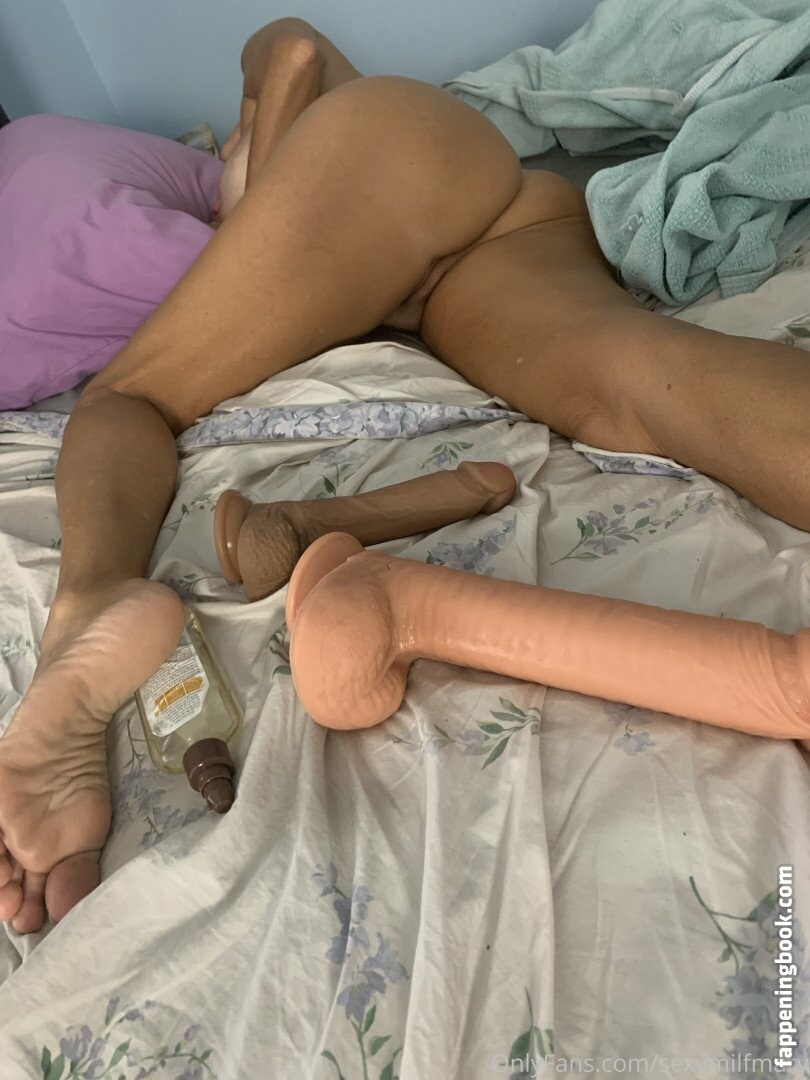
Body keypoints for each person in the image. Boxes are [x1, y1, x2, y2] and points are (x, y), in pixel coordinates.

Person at [0, 18, 808, 935]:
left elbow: (291, 46)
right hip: (502, 241)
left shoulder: (228, 160)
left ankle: (89, 599)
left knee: (127, 399)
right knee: (638, 391)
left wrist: (255, 184)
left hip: (403, 160)